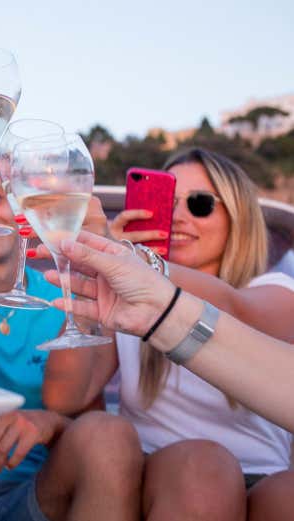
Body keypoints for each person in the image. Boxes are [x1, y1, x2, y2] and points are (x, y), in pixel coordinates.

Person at [46, 148, 294, 521]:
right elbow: (65, 396)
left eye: (198, 204)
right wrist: (95, 269)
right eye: (167, 202)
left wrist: (138, 263)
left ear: (238, 217)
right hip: (163, 474)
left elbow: (239, 309)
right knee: (203, 470)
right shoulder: (129, 301)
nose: (178, 217)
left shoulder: (273, 288)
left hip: (264, 476)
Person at [0, 144, 144, 521]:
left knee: (109, 435)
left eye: (1, 198)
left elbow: (87, 415)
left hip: (34, 490)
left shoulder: (64, 294)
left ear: (26, 207)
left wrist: (48, 423)